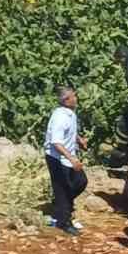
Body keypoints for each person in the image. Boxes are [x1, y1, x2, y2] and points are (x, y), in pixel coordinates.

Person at [44, 86, 88, 236]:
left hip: (67, 156)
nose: (76, 98)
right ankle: (64, 222)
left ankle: (61, 206)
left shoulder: (70, 114)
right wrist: (72, 159)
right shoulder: (60, 117)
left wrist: (79, 140)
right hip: (57, 158)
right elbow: (56, 142)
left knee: (81, 182)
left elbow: (70, 132)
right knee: (63, 189)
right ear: (66, 100)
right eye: (73, 96)